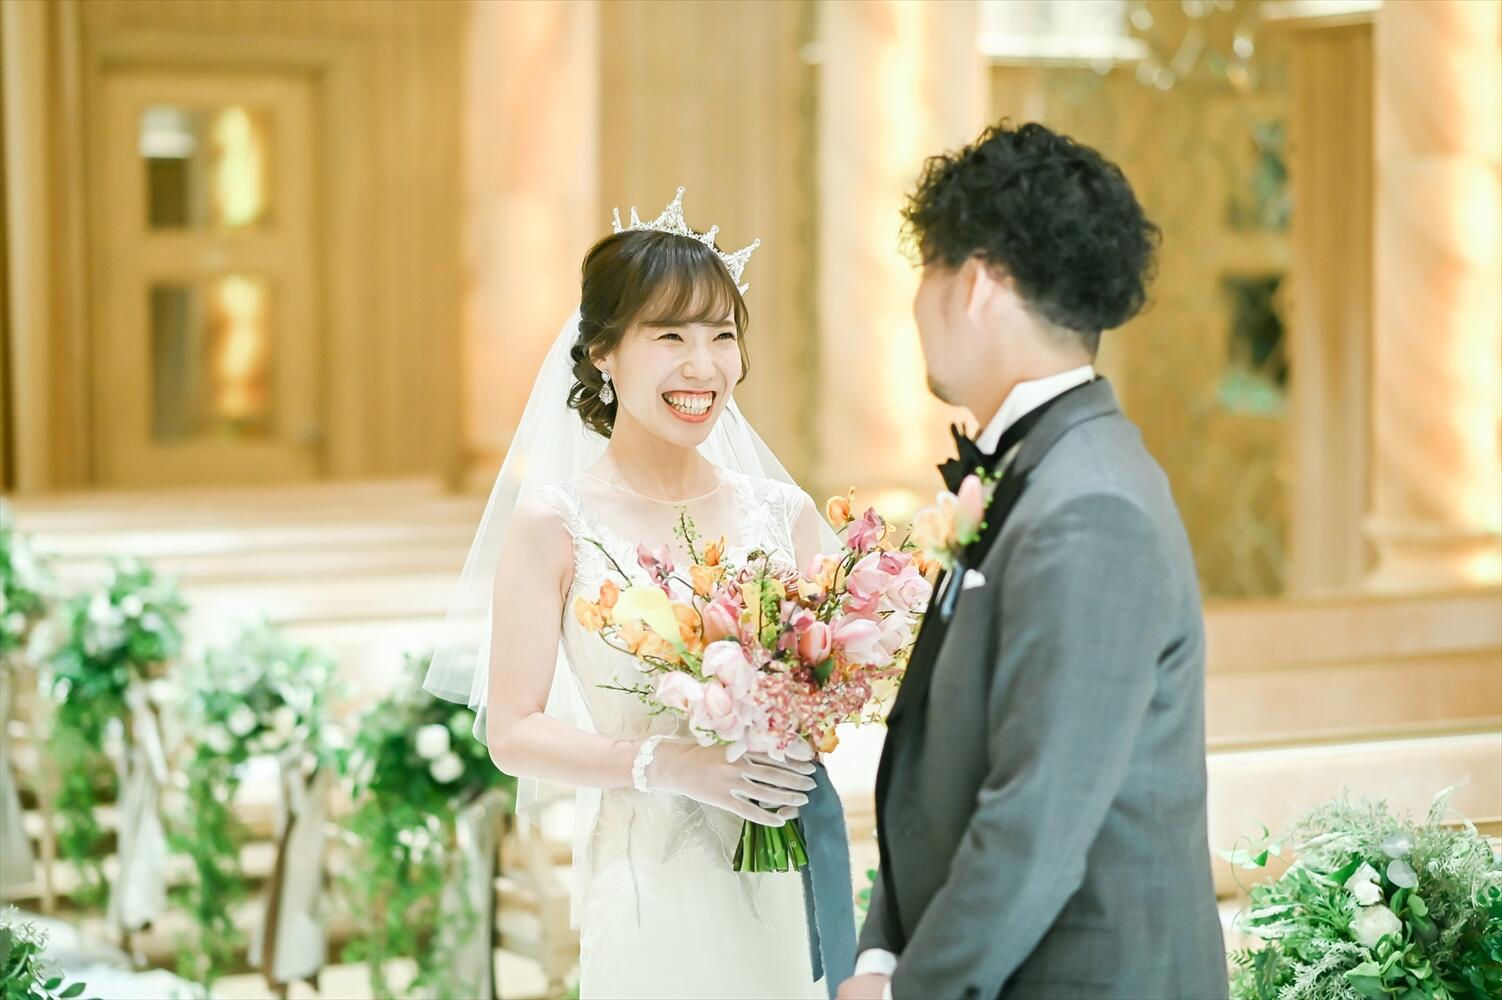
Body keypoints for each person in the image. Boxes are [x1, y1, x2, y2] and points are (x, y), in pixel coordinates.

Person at [425, 189, 855, 998]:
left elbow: (834, 683)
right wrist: (671, 764)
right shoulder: (556, 523)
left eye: (722, 335)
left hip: (782, 870)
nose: (704, 366)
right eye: (670, 336)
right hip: (648, 887)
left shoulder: (783, 512)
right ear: (603, 353)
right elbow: (513, 733)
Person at [840, 122, 1228, 1000]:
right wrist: (880, 954)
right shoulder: (1037, 469)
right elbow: (941, 765)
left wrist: (909, 990)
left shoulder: (1090, 506)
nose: (916, 306)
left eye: (927, 271)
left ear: (975, 283)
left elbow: (1034, 820)